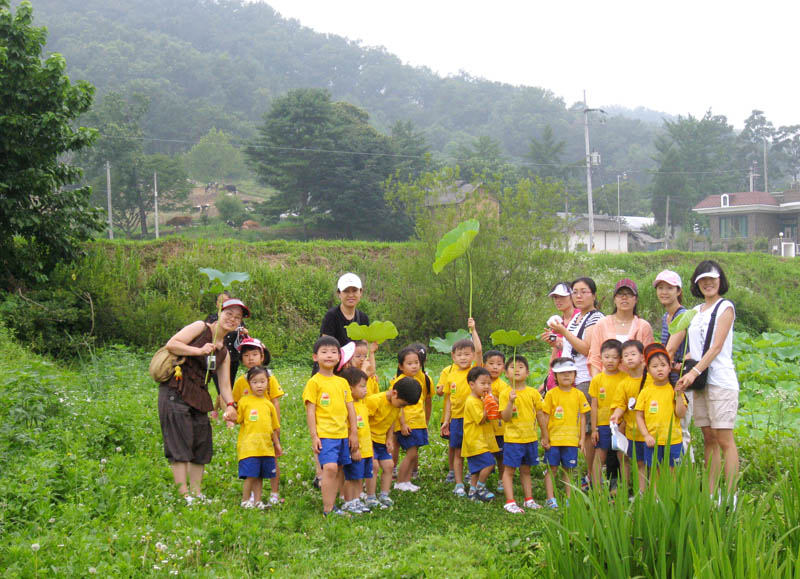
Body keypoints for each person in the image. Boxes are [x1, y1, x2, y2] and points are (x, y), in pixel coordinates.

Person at [158, 298, 244, 503]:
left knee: (201, 444)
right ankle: (184, 495)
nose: (232, 319)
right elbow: (172, 344)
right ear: (219, 312)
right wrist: (198, 350)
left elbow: (224, 386)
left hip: (199, 396)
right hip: (176, 390)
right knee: (180, 444)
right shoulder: (200, 327)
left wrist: (231, 406)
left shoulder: (224, 351)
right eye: (229, 314)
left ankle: (197, 494)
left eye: (237, 318)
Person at [674, 260, 739, 499]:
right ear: (696, 284)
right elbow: (697, 349)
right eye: (702, 279)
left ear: (720, 280)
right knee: (708, 438)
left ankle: (731, 495)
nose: (708, 283)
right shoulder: (695, 312)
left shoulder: (725, 307)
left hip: (720, 380)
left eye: (712, 278)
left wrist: (693, 373)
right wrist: (682, 366)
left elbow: (716, 347)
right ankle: (711, 493)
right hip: (700, 381)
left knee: (724, 439)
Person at [548, 277, 603, 486]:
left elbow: (586, 348)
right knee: (582, 428)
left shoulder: (594, 318)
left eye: (584, 292)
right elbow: (570, 345)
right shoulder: (577, 317)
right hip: (574, 377)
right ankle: (589, 474)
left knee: (588, 431)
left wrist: (563, 332)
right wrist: (558, 340)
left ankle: (592, 476)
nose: (578, 296)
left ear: (594, 295)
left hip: (586, 378)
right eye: (575, 292)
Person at [302, 336, 359, 517]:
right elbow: (310, 411)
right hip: (325, 434)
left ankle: (333, 504)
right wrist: (314, 436)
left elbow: (351, 409)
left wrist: (354, 433)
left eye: (334, 352)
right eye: (324, 352)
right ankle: (328, 509)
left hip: (342, 434)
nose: (329, 355)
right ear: (315, 357)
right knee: (330, 468)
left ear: (339, 357)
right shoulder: (314, 382)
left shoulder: (342, 382)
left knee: (339, 468)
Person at [231, 337, 285, 504]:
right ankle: (254, 496)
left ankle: (274, 493)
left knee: (272, 459)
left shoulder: (270, 378)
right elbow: (235, 403)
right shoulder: (241, 382)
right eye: (246, 355)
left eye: (254, 354)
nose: (251, 358)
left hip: (268, 427)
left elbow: (275, 400)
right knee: (254, 460)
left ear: (262, 356)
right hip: (251, 431)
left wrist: (277, 426)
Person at [438, 318, 482, 495]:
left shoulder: (475, 371)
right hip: (457, 419)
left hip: (473, 419)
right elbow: (448, 400)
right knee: (457, 451)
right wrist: (446, 420)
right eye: (459, 354)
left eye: (467, 354)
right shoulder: (451, 376)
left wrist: (473, 330)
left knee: (473, 451)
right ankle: (458, 483)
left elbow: (479, 350)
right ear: (453, 357)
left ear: (472, 356)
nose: (463, 357)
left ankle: (473, 482)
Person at [499, 355, 548, 513]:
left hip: (530, 438)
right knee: (510, 470)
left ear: (527, 373)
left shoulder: (533, 393)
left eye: (521, 367)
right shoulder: (505, 393)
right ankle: (510, 501)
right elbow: (505, 417)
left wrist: (545, 435)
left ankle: (529, 499)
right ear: (506, 373)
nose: (517, 369)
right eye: (513, 367)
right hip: (513, 439)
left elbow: (540, 415)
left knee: (526, 470)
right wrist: (510, 402)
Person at [364, 377, 421, 509]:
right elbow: (363, 421)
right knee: (374, 466)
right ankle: (370, 497)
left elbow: (391, 421)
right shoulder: (375, 401)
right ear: (394, 393)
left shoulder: (396, 406)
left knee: (389, 466)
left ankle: (384, 495)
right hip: (368, 439)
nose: (402, 407)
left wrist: (389, 438)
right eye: (402, 405)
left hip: (381, 441)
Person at [654, 270, 694, 460]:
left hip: (683, 382)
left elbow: (668, 351)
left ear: (678, 291)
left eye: (669, 288)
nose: (664, 292)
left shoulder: (682, 316)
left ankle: (689, 479)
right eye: (660, 288)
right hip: (671, 379)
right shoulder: (666, 317)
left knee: (682, 430)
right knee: (674, 429)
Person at [635, 344, 687, 486]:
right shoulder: (645, 392)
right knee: (654, 472)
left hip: (673, 440)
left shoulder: (673, 389)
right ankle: (656, 499)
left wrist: (679, 394)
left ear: (670, 368)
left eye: (663, 365)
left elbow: (680, 414)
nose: (659, 369)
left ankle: (672, 497)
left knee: (673, 472)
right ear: (648, 370)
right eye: (655, 366)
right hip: (653, 441)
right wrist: (646, 435)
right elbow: (639, 416)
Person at [542, 357, 590, 509]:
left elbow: (583, 417)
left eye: (570, 372)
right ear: (555, 376)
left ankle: (569, 498)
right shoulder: (551, 394)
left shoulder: (578, 394)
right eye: (562, 373)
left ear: (575, 375)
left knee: (569, 470)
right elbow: (545, 416)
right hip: (554, 440)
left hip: (571, 440)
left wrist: (582, 438)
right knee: (552, 469)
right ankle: (550, 498)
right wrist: (545, 436)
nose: (566, 376)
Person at [236, 366, 282, 509]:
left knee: (261, 476)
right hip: (249, 447)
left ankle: (257, 500)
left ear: (268, 382)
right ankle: (245, 500)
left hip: (265, 447)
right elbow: (238, 419)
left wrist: (277, 445)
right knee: (251, 475)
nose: (259, 385)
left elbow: (273, 428)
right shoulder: (244, 401)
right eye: (255, 382)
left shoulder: (269, 405)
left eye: (262, 381)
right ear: (249, 384)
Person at [609, 340, 651, 494]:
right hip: (634, 432)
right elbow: (621, 405)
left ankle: (656, 494)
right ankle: (642, 493)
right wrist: (616, 415)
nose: (630, 358)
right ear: (622, 361)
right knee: (640, 462)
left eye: (633, 354)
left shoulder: (652, 379)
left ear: (642, 357)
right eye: (625, 356)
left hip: (653, 431)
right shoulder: (624, 384)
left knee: (654, 464)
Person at [589, 279, 654, 374]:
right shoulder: (602, 324)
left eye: (629, 294)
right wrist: (598, 383)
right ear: (615, 299)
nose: (624, 297)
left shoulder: (643, 326)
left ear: (636, 299)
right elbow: (595, 358)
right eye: (620, 294)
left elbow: (647, 358)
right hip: (607, 382)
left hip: (635, 381)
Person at [392, 346, 432, 492]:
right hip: (408, 423)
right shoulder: (399, 382)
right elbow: (397, 406)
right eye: (409, 363)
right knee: (411, 452)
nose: (414, 366)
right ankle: (400, 481)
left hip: (418, 422)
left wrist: (425, 422)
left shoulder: (420, 379)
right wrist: (402, 424)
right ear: (401, 366)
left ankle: (406, 481)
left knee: (414, 452)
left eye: (416, 362)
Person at [588, 339, 626, 487]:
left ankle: (624, 486)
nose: (610, 361)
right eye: (607, 357)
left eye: (615, 357)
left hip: (621, 424)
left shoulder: (625, 378)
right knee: (601, 455)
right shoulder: (597, 380)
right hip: (603, 424)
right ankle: (596, 488)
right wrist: (594, 429)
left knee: (622, 456)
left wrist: (624, 422)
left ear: (620, 360)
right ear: (601, 358)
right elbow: (594, 405)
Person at [461, 367, 499, 502]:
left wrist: (491, 401)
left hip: (482, 440)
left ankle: (472, 493)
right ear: (472, 385)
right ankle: (480, 488)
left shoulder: (481, 399)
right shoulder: (471, 401)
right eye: (482, 383)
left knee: (476, 469)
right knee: (489, 463)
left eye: (489, 384)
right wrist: (487, 405)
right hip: (475, 440)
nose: (487, 387)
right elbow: (481, 419)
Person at [340, 367, 374, 514]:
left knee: (359, 477)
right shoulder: (348, 407)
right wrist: (355, 449)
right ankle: (348, 502)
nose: (365, 389)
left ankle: (356, 500)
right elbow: (349, 430)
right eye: (361, 386)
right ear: (349, 388)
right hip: (356, 449)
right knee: (351, 477)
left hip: (367, 450)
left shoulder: (362, 404)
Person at [540, 282, 578, 392]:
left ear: (572, 297)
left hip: (574, 372)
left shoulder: (580, 318)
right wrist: (549, 377)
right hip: (558, 371)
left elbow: (581, 345)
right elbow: (554, 354)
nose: (558, 300)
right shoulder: (557, 322)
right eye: (555, 297)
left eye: (562, 297)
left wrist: (560, 341)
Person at [483, 349, 509, 494]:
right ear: (484, 365)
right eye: (491, 363)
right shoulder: (482, 382)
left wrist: (494, 398)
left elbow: (505, 405)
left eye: (499, 364)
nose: (495, 367)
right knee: (485, 455)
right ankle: (482, 480)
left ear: (503, 368)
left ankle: (501, 479)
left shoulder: (503, 385)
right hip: (485, 426)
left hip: (500, 428)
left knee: (501, 455)